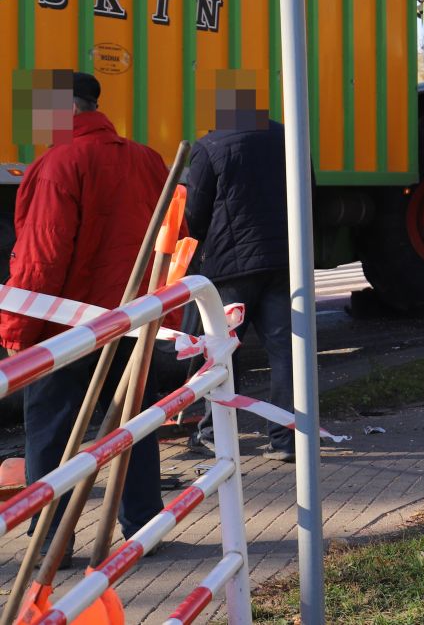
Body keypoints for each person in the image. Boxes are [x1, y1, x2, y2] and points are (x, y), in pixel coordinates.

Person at [2, 72, 166, 548]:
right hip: (132, 319)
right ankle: (144, 527)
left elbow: (41, 259)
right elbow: (168, 246)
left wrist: (16, 330)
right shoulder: (148, 160)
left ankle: (51, 539)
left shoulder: (59, 163)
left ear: (66, 110)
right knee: (136, 427)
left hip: (66, 327)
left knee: (52, 436)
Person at [184, 73, 295, 461]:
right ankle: (285, 440)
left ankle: (215, 431)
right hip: (283, 262)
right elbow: (308, 191)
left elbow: (194, 213)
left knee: (222, 352)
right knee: (285, 351)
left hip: (230, 267)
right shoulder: (287, 136)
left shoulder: (209, 146)